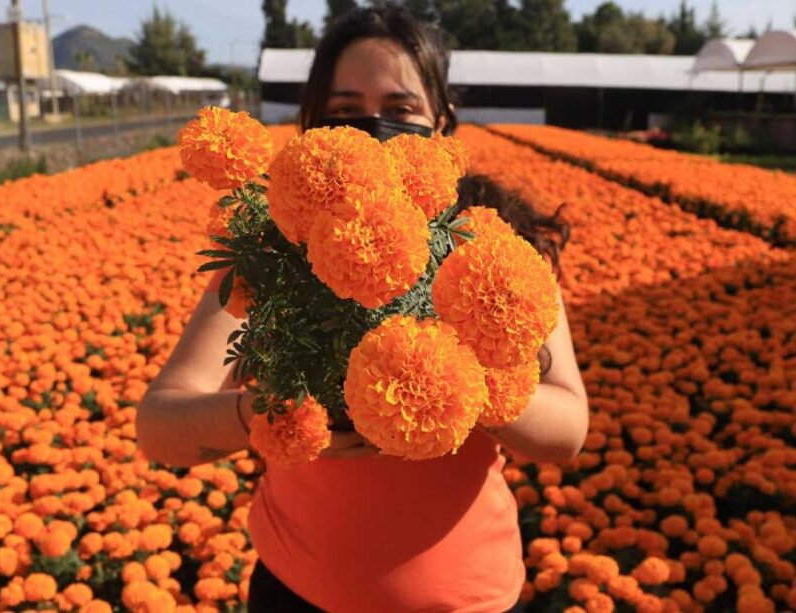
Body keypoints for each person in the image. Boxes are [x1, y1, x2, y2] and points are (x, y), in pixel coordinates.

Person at [136, 6, 589, 612]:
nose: (375, 124)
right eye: (346, 110)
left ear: (441, 120)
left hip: (469, 599)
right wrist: (264, 417)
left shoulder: (498, 253)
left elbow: (568, 431)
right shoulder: (270, 254)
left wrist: (448, 387)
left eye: (401, 110)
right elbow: (159, 426)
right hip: (297, 592)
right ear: (314, 122)